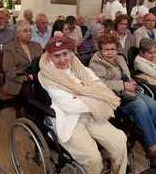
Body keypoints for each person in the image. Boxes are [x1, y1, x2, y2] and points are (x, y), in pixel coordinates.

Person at [89, 33, 156, 162]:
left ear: (117, 49)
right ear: (100, 49)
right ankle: (153, 148)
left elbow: (127, 75)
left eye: (113, 49)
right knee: (141, 107)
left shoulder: (120, 58)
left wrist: (131, 82)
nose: (110, 52)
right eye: (106, 49)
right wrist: (123, 85)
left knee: (153, 104)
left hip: (130, 91)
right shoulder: (95, 63)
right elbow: (100, 83)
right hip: (114, 96)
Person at [38, 36, 127, 174]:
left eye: (65, 54)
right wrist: (94, 96)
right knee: (93, 159)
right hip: (69, 119)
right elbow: (69, 105)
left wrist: (84, 96)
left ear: (71, 53)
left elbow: (101, 86)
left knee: (120, 141)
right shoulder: (46, 75)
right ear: (50, 57)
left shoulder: (80, 68)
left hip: (91, 114)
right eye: (57, 56)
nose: (62, 59)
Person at [3, 21, 43, 96]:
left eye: (30, 31)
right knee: (31, 93)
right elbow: (9, 71)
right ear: (17, 34)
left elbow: (43, 64)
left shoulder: (37, 46)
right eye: (25, 31)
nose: (29, 33)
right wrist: (26, 77)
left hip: (37, 78)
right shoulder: (9, 48)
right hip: (18, 82)